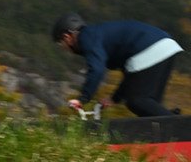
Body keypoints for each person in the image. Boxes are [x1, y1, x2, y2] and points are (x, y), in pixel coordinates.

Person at [52, 13, 183, 118]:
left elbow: (96, 70)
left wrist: (82, 99)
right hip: (167, 47)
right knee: (151, 109)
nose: (64, 48)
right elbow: (131, 75)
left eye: (60, 44)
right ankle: (175, 132)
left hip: (149, 49)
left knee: (137, 102)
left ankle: (181, 127)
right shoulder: (99, 35)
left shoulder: (86, 37)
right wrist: (114, 98)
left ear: (67, 36)